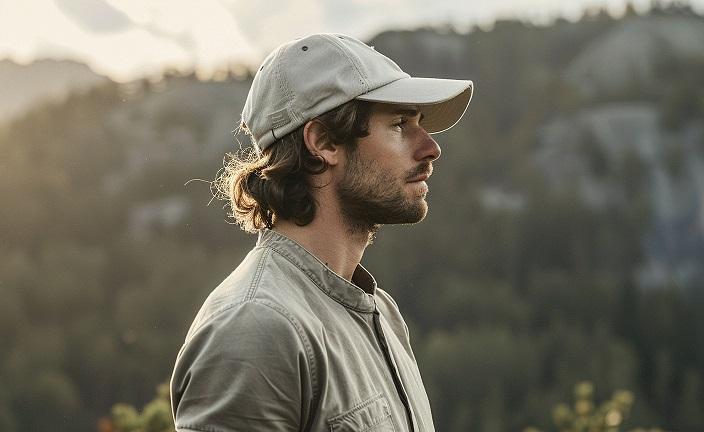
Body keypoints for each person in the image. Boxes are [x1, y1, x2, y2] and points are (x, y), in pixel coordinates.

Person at [170, 33, 473, 432]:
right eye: (400, 124)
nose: (430, 148)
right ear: (324, 142)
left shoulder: (380, 311)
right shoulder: (256, 327)